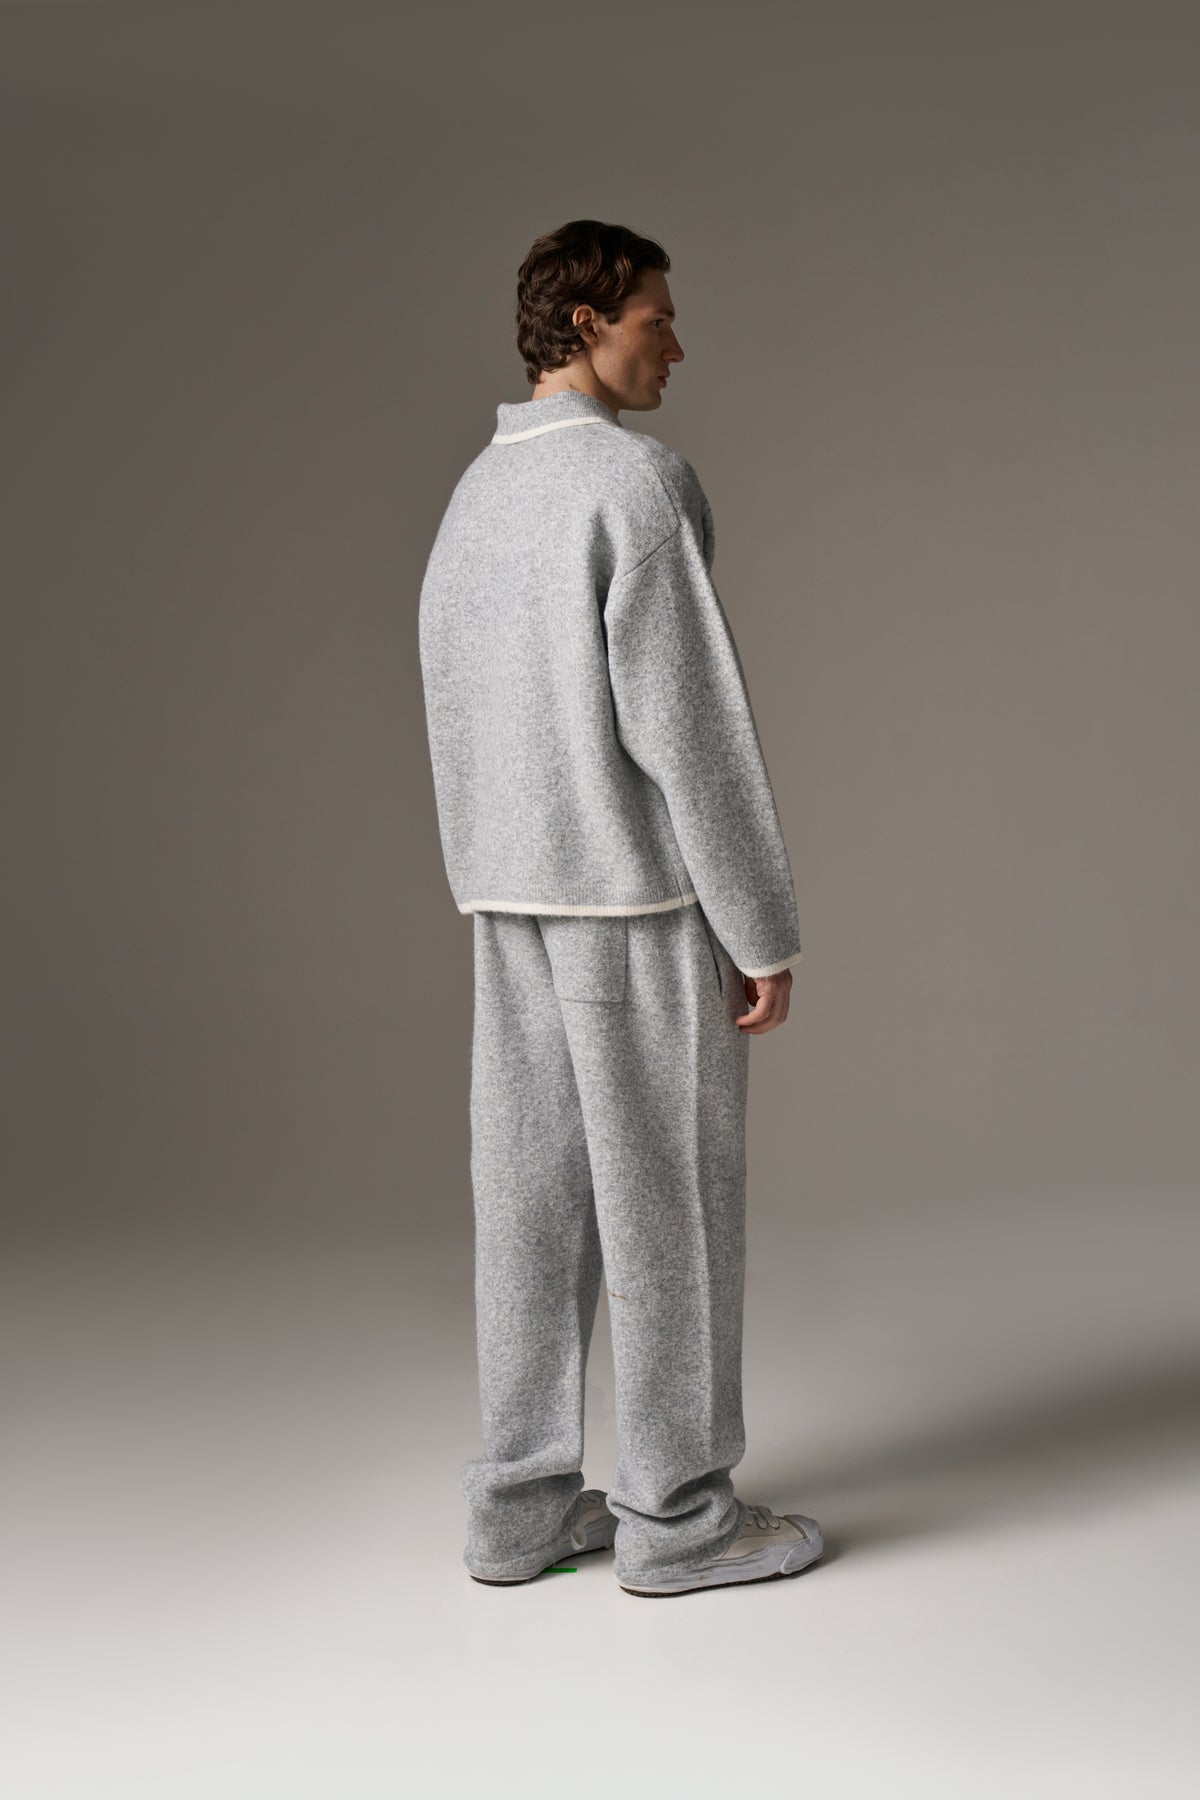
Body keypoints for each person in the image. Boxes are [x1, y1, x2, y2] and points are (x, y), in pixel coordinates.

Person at [417, 218, 823, 1597]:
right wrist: (760, 927)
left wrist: (488, 860)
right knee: (670, 1213)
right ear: (587, 321)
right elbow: (692, 729)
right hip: (636, 902)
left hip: (508, 900)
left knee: (528, 1211)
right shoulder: (637, 486)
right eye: (658, 317)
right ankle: (680, 1516)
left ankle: (519, 1506)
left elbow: (455, 705)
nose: (676, 344)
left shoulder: (476, 495)